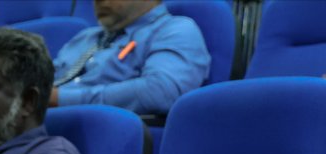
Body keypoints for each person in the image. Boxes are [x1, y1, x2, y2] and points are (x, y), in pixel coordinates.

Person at [51, 0, 210, 115]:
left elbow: (160, 92)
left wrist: (60, 99)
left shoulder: (175, 29)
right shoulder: (84, 37)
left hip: (99, 136)